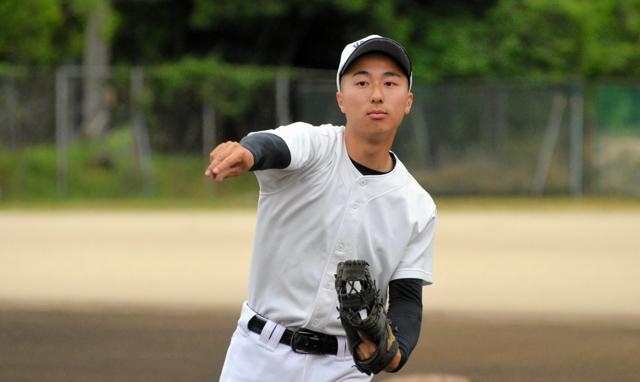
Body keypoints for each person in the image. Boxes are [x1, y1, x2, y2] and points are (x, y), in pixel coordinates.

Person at [206, 34, 436, 381]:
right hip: (258, 357)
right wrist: (248, 153)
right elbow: (276, 145)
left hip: (345, 367)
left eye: (390, 82)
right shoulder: (314, 146)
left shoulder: (416, 205)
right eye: (362, 81)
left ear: (407, 101)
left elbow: (406, 300)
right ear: (341, 99)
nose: (376, 93)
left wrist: (396, 353)